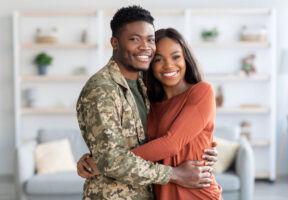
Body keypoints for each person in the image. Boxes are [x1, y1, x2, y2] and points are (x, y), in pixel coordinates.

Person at [76, 5, 218, 200]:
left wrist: (205, 147)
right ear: (114, 43)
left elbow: (169, 141)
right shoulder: (103, 89)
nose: (145, 47)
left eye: (149, 40)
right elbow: (112, 155)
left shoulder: (145, 90)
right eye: (135, 39)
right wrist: (102, 162)